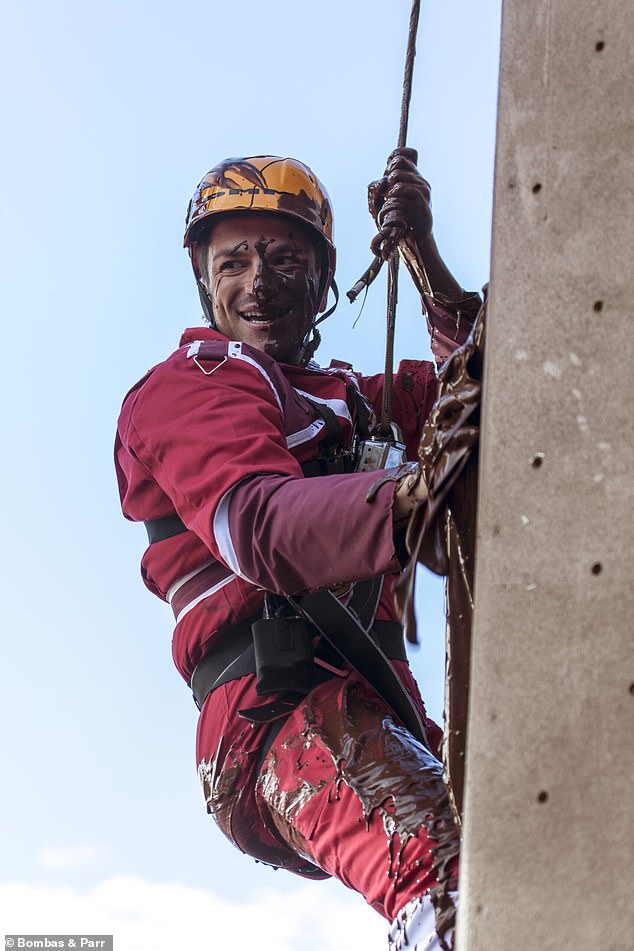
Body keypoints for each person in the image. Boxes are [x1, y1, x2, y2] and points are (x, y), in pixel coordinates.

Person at [115, 151, 481, 950]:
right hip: (276, 711)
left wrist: (422, 255)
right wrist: (414, 496)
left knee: (510, 869)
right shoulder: (193, 383)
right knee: (458, 892)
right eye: (234, 261)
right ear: (204, 278)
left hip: (374, 709)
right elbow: (256, 523)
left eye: (286, 260)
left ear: (323, 277)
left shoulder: (345, 398)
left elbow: (482, 383)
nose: (260, 282)